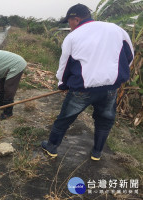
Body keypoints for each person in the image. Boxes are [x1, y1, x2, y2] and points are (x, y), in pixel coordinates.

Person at [41, 4, 134, 161]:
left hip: (83, 90)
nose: (69, 25)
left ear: (76, 19)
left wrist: (62, 85)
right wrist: (116, 76)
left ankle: (51, 147)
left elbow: (64, 67)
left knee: (64, 119)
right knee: (104, 121)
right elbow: (129, 56)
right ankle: (96, 153)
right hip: (110, 88)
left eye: (69, 21)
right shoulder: (116, 29)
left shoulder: (73, 37)